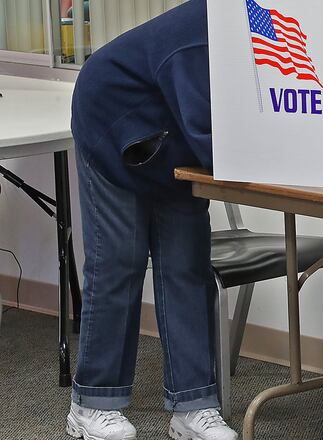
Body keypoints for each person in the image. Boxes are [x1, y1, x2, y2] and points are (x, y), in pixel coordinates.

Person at [66, 1, 237, 439]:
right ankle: (92, 403)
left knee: (187, 265)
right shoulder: (198, 33)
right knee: (118, 260)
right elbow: (209, 134)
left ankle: (193, 405)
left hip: (171, 143)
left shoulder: (262, 27)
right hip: (111, 122)